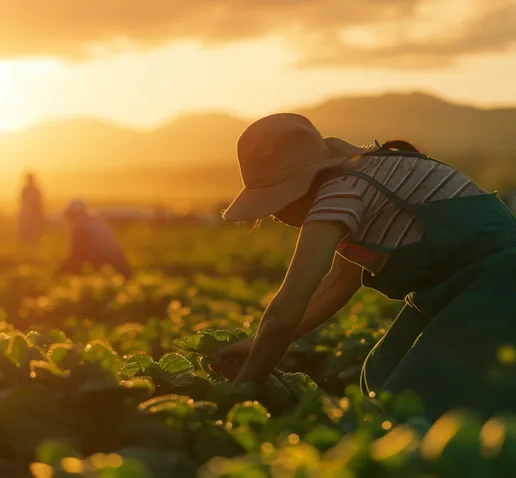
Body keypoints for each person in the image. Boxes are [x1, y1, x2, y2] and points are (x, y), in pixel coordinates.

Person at [210, 112, 516, 420]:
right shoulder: (357, 178)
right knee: (382, 369)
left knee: (416, 399)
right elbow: (338, 285)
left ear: (299, 188)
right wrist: (255, 345)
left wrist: (243, 386)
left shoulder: (342, 191)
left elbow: (288, 305)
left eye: (274, 204)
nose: (274, 217)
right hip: (456, 288)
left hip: (497, 280)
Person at [57, 199, 133, 278]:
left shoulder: (80, 227)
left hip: (103, 263)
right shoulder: (96, 222)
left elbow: (75, 255)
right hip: (116, 260)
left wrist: (62, 271)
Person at [17, 172, 46, 244]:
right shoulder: (26, 190)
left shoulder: (34, 190)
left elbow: (39, 202)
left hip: (34, 213)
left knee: (34, 231)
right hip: (28, 213)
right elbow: (22, 201)